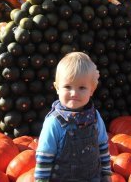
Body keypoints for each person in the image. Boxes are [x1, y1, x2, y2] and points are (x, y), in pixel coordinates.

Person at [35, 52, 111, 182]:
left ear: (92, 90)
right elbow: (44, 157)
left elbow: (102, 147)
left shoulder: (94, 117)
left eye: (82, 87)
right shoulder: (54, 122)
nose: (74, 93)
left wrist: (106, 174)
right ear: (57, 88)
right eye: (67, 87)